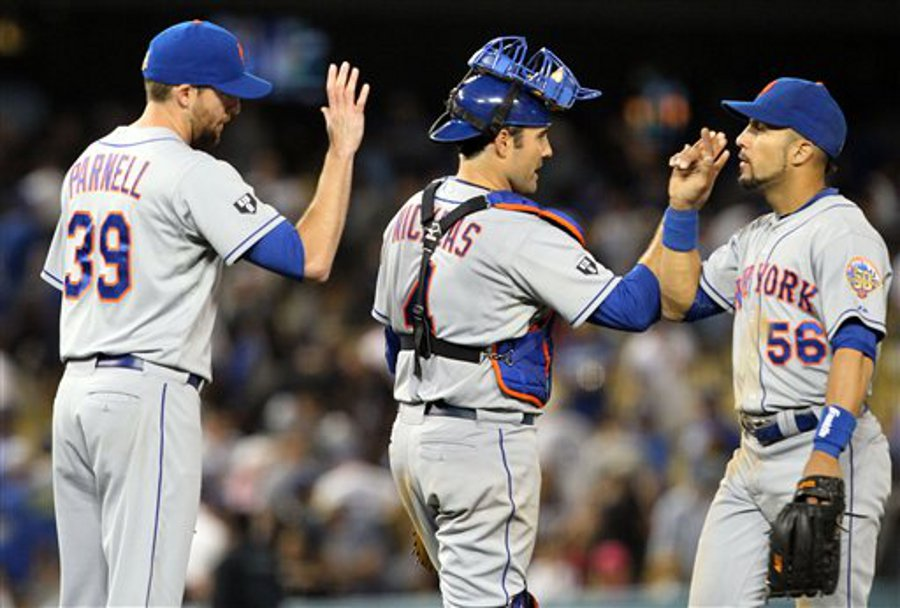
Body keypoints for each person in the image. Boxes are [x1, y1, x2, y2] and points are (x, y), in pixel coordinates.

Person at [39, 20, 368, 606]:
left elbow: (65, 281)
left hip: (75, 399)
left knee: (84, 598)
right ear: (184, 92)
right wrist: (341, 151)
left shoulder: (87, 162)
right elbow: (312, 258)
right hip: (147, 397)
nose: (236, 106)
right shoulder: (191, 170)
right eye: (226, 91)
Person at [371, 36, 664, 607]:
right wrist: (678, 210)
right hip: (481, 441)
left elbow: (393, 340)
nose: (548, 152)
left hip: (411, 439)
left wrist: (429, 463)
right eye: (540, 137)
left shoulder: (409, 211)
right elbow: (633, 309)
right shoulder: (519, 229)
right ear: (503, 140)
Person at [658, 78, 892, 606]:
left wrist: (827, 454)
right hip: (751, 457)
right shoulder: (756, 234)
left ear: (803, 149)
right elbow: (680, 301)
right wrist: (682, 209)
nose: (743, 137)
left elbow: (855, 347)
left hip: (826, 446)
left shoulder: (844, 233)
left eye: (761, 126)